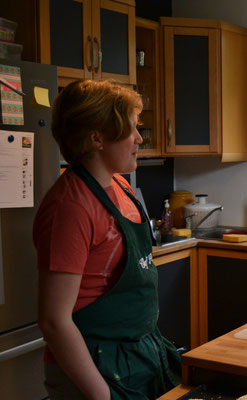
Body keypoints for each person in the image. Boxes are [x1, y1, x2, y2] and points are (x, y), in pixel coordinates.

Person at [34, 80, 180, 400]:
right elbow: (54, 321)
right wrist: (102, 396)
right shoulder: (70, 207)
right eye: (130, 130)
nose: (139, 138)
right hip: (94, 369)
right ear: (97, 138)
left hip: (138, 355)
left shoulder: (120, 185)